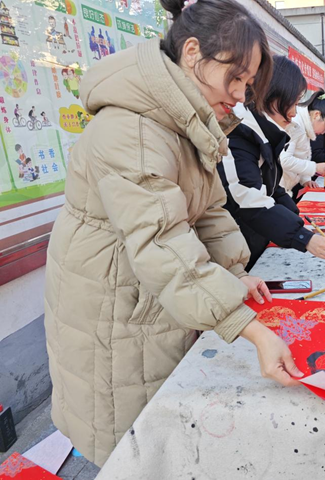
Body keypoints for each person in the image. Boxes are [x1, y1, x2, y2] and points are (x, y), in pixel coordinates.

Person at [43, 0, 303, 467]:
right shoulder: (135, 130)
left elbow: (207, 210)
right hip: (115, 306)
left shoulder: (185, 119)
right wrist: (252, 330)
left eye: (249, 83)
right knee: (130, 444)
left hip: (148, 294)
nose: (242, 94)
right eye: (237, 77)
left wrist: (232, 273)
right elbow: (164, 242)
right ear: (191, 54)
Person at [219, 55, 325, 268]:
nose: (293, 114)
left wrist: (298, 220)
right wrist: (303, 237)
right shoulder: (237, 132)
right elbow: (247, 198)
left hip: (255, 231)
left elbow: (272, 187)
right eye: (290, 103)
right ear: (269, 94)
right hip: (232, 240)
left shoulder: (263, 131)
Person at [279, 89, 325, 195]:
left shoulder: (305, 127)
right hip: (279, 186)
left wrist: (305, 179)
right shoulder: (296, 125)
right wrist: (315, 167)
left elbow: (300, 156)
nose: (324, 132)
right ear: (316, 115)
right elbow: (285, 160)